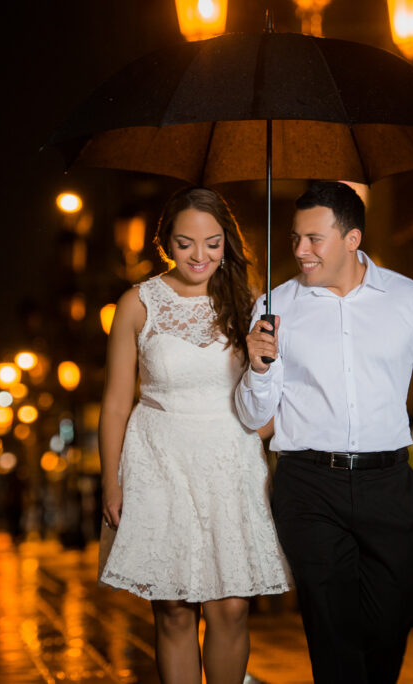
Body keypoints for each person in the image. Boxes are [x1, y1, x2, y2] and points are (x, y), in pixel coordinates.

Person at [235, 181, 413, 683]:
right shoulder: (275, 307)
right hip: (308, 486)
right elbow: (254, 418)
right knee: (331, 627)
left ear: (352, 238)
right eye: (295, 238)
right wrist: (259, 368)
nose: (300, 250)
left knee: (389, 627)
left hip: (391, 485)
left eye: (314, 239)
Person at [98, 187, 290, 684]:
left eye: (212, 243)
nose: (199, 256)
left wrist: (261, 362)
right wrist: (110, 482)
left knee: (230, 608)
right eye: (186, 243)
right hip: (158, 458)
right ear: (165, 242)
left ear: (228, 241)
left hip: (230, 458)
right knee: (176, 608)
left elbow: (266, 416)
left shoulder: (251, 303)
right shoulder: (137, 303)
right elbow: (117, 402)